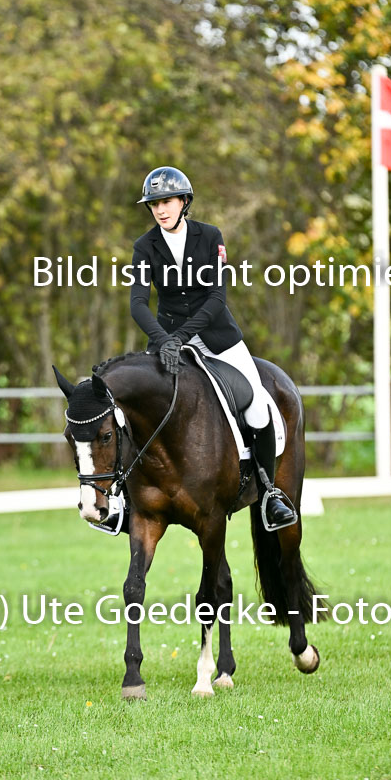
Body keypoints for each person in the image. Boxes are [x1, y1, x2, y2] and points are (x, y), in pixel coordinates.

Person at [129, 165, 297, 531]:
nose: (160, 209)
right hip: (166, 340)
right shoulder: (145, 246)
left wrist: (181, 336)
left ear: (184, 202)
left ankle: (269, 492)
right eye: (154, 204)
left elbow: (216, 297)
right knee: (138, 405)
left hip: (217, 336)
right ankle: (125, 499)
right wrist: (164, 339)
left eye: (167, 201)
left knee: (256, 403)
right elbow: (138, 303)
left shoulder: (210, 236)